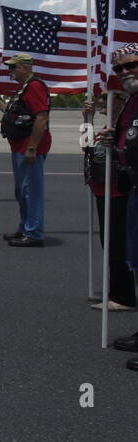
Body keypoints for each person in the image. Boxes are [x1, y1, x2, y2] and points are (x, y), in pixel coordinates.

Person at [100, 45, 138, 368]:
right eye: (119, 70)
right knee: (135, 260)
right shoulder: (131, 104)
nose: (125, 73)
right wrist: (116, 138)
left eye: (131, 66)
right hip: (133, 186)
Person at [85, 87, 137, 314]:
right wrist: (87, 120)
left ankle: (123, 295)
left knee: (118, 246)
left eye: (108, 100)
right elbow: (86, 147)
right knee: (109, 244)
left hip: (117, 192)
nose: (102, 104)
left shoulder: (123, 129)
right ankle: (115, 289)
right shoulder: (106, 129)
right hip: (102, 190)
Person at [0, 54, 51, 247]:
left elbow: (41, 117)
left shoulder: (35, 86)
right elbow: (15, 112)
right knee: (21, 191)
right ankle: (25, 227)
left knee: (30, 191)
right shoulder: (23, 89)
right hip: (19, 146)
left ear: (25, 67)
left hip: (29, 147)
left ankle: (34, 233)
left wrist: (32, 147)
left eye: (13, 67)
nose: (10, 71)